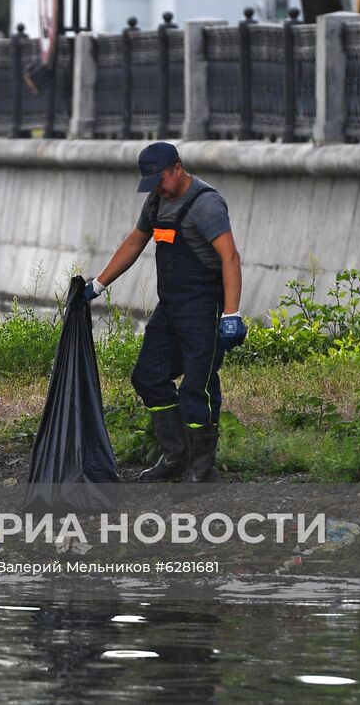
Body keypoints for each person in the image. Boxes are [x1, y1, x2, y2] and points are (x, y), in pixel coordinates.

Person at [84, 142, 247, 482]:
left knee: (196, 388)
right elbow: (134, 241)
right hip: (170, 307)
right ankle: (176, 455)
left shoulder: (206, 205)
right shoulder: (157, 201)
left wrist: (231, 314)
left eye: (160, 179)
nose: (157, 187)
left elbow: (230, 258)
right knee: (149, 377)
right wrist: (98, 285)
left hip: (204, 308)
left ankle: (201, 471)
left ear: (177, 168)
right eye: (151, 183)